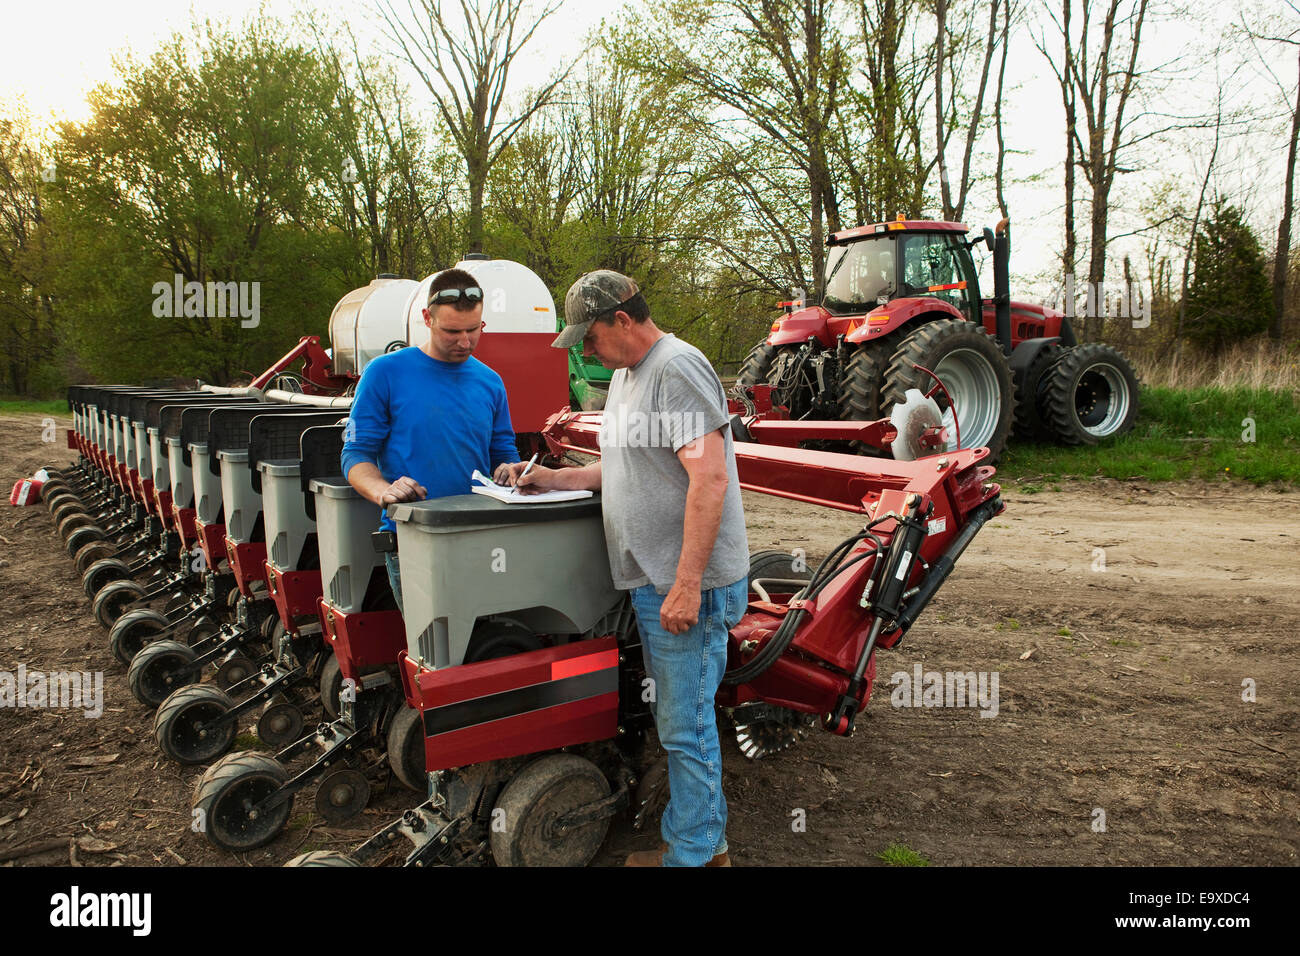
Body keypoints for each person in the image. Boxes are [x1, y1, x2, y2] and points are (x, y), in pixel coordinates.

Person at [500, 270, 748, 867]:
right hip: (653, 580)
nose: (583, 350)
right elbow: (625, 468)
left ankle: (692, 858)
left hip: (687, 585)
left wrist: (687, 584)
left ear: (623, 320)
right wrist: (552, 478)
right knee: (678, 723)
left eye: (589, 337)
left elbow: (709, 478)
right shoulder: (628, 378)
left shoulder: (676, 368)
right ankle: (699, 847)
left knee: (686, 728)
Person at [341, 267, 520, 612]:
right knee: (432, 648)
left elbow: (503, 450)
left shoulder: (490, 381)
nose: (465, 342)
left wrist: (510, 470)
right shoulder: (385, 373)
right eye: (452, 331)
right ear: (427, 318)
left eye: (473, 330)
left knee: (483, 644)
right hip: (411, 539)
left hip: (479, 534)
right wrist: (383, 490)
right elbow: (355, 455)